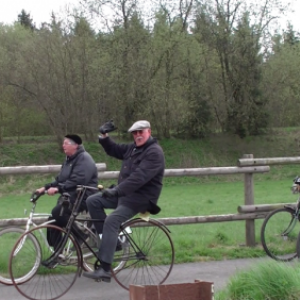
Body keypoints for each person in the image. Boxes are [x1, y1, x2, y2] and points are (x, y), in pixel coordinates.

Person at [83, 120, 165, 282]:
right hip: (124, 195)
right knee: (93, 201)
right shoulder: (133, 148)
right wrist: (104, 136)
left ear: (149, 131)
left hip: (140, 198)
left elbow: (138, 178)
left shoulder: (154, 152)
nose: (137, 135)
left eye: (141, 132)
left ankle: (105, 269)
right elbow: (114, 149)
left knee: (112, 220)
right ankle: (114, 243)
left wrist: (116, 191)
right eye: (135, 133)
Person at [36, 134, 98, 250]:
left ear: (75, 145)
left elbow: (77, 181)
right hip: (72, 196)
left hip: (84, 196)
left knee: (59, 212)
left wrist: (58, 189)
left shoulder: (84, 159)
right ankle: (58, 252)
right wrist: (45, 188)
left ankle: (81, 237)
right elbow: (60, 179)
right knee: (53, 221)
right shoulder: (69, 160)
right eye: (63, 143)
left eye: (66, 143)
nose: (63, 145)